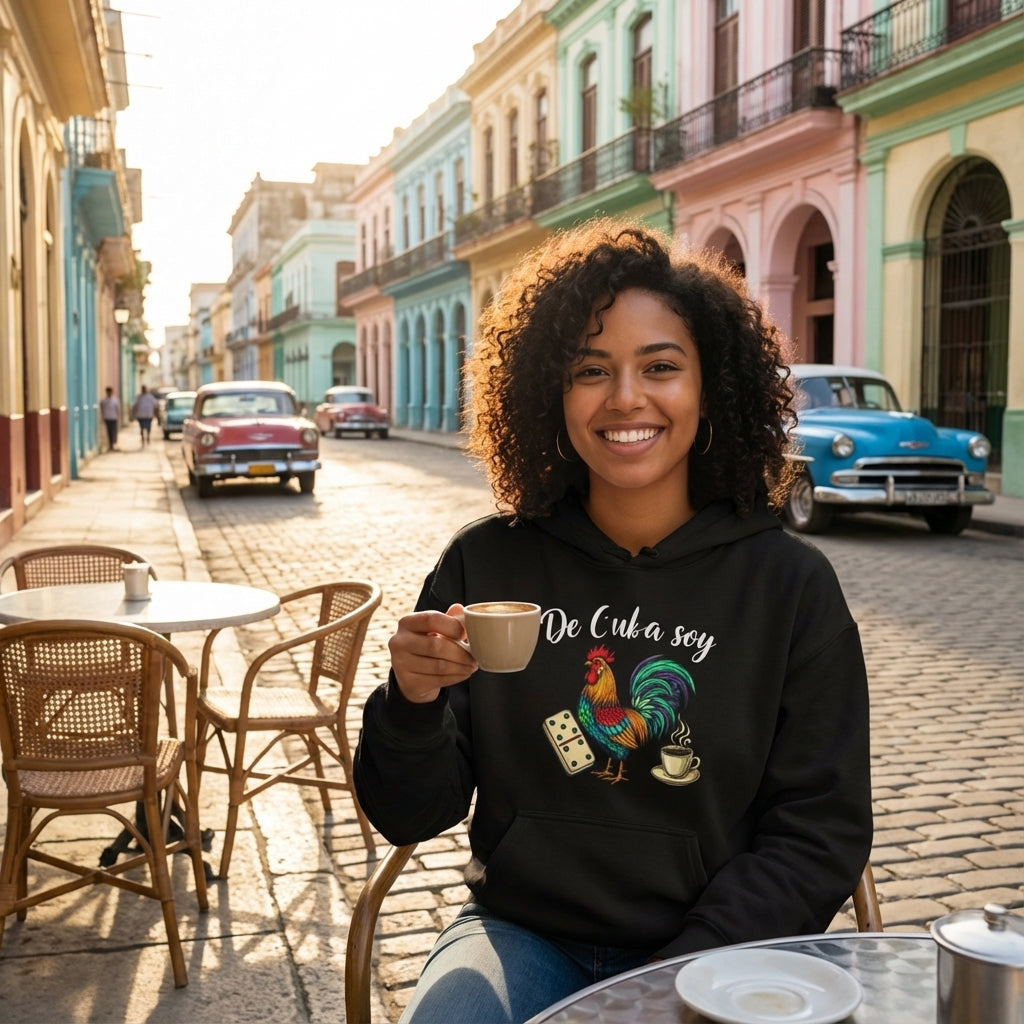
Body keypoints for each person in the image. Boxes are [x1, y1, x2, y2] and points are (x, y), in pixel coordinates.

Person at [353, 220, 873, 1024]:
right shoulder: (485, 567)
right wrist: (411, 704)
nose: (625, 397)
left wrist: (672, 980)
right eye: (591, 370)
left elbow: (819, 830)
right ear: (550, 395)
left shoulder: (791, 587)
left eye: (660, 367)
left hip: (718, 950)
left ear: (710, 388)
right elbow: (410, 813)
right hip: (519, 932)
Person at [99, 386, 120, 452]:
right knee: (109, 432)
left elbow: (117, 409)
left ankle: (113, 444)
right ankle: (110, 445)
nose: (109, 393)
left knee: (113, 432)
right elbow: (102, 409)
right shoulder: (104, 401)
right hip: (107, 418)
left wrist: (117, 417)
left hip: (113, 418)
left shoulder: (115, 401)